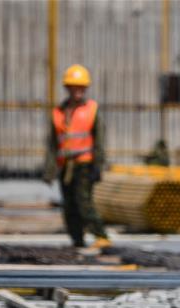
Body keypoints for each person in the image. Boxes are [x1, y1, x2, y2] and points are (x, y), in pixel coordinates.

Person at [43, 64, 111, 249]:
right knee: (69, 207)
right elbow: (52, 144)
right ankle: (77, 241)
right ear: (68, 88)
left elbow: (99, 140)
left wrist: (98, 165)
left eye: (81, 88)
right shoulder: (58, 113)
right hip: (66, 166)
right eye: (74, 87)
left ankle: (101, 236)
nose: (78, 91)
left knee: (84, 202)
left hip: (85, 164)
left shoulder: (91, 110)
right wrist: (49, 170)